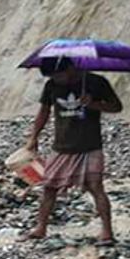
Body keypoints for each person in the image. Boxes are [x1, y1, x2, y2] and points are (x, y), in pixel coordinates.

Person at [22, 57, 123, 244]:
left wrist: (93, 104)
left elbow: (116, 107)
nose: (57, 79)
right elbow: (44, 112)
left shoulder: (96, 82)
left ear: (70, 68)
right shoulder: (51, 86)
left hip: (89, 144)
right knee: (49, 188)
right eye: (53, 77)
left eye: (58, 75)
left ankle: (107, 232)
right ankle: (40, 228)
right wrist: (33, 137)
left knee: (96, 187)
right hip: (62, 145)